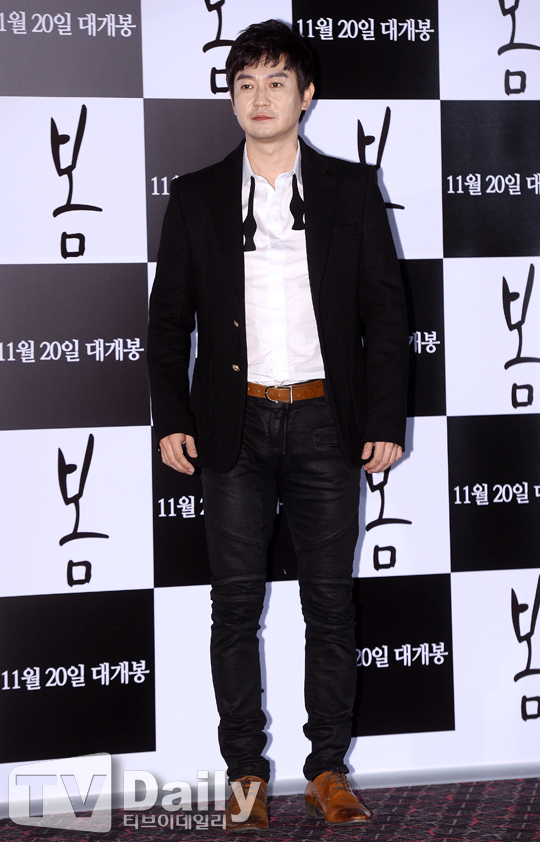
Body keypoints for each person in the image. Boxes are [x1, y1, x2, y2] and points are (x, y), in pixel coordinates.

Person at [147, 19, 408, 832]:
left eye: (276, 82)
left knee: (330, 606)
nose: (259, 98)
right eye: (245, 83)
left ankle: (328, 768)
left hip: (328, 422)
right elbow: (167, 323)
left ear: (306, 95)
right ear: (233, 97)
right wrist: (172, 417)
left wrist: (385, 417)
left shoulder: (351, 190)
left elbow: (386, 315)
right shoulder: (195, 195)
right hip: (234, 427)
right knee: (234, 608)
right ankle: (245, 778)